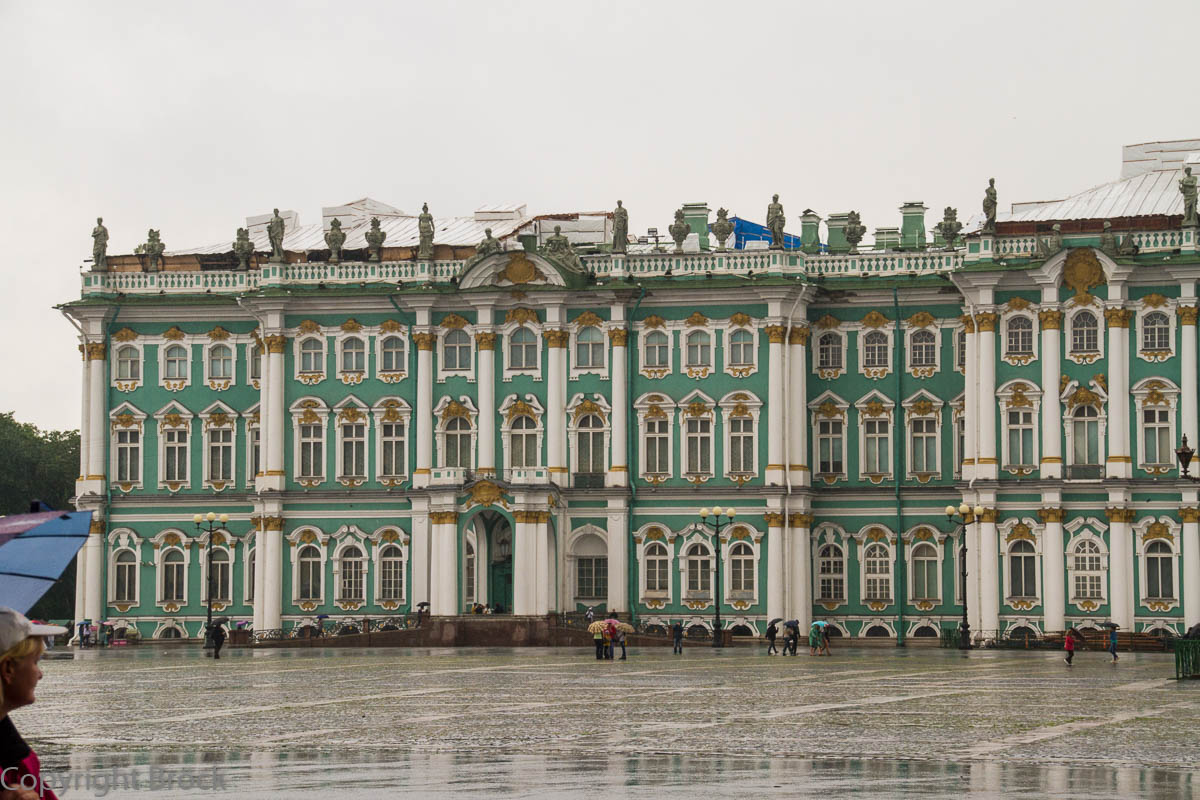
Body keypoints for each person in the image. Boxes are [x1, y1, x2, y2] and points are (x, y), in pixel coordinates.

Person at [1, 607, 66, 800]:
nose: (40, 674)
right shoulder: (12, 758)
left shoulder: (13, 755)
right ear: (8, 669)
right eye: (36, 662)